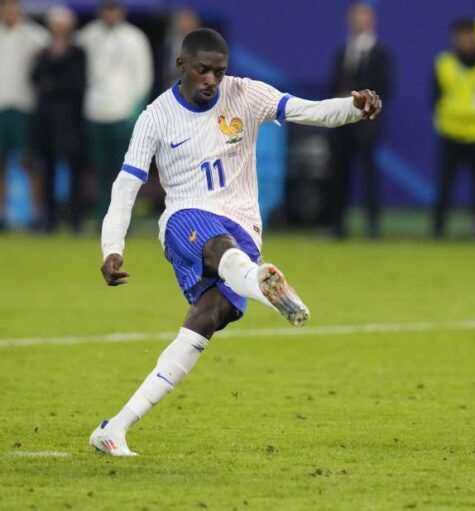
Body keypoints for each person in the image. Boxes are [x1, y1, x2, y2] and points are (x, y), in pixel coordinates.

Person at [89, 28, 382, 456]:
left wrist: (353, 108)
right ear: (181, 65)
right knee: (218, 244)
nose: (212, 80)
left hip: (244, 228)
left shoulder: (245, 94)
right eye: (202, 70)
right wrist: (112, 246)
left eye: (219, 72)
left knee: (205, 321)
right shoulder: (155, 117)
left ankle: (115, 427)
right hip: (185, 219)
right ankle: (261, 283)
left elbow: (309, 111)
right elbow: (126, 185)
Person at [78, 0, 153, 220]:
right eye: (106, 10)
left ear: (121, 11)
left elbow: (144, 76)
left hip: (123, 113)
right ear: (100, 11)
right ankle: (103, 215)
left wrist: (136, 109)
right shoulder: (88, 36)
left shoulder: (135, 38)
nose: (110, 14)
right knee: (100, 169)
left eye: (114, 10)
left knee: (125, 171)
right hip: (95, 111)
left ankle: (123, 217)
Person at [328, 2, 392, 239]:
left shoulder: (381, 53)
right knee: (340, 174)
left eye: (363, 17)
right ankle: (337, 224)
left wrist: (367, 110)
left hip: (367, 125)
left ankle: (372, 225)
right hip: (342, 124)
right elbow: (334, 85)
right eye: (355, 17)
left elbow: (386, 88)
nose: (358, 21)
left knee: (369, 175)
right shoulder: (342, 51)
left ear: (371, 20)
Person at [432, 19, 475, 238]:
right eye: (461, 37)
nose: (466, 41)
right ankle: (438, 227)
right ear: (455, 39)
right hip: (450, 132)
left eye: (470, 36)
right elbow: (435, 95)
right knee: (445, 185)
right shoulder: (444, 63)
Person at [30, 5, 87, 233]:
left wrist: (52, 83)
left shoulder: (78, 53)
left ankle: (75, 220)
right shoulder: (43, 52)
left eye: (63, 26)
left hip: (71, 121)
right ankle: (50, 219)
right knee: (48, 169)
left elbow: (76, 83)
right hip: (47, 121)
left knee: (74, 171)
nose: (60, 30)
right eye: (56, 26)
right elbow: (35, 78)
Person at [0, 0, 49, 230]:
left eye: (13, 8)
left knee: (30, 163)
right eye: (6, 8)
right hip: (1, 107)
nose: (10, 12)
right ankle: (2, 214)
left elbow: (50, 51)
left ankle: (36, 214)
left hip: (24, 107)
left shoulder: (34, 35)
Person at [162, 7, 200, 87]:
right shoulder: (171, 44)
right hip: (172, 84)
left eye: (188, 22)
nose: (185, 25)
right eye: (183, 21)